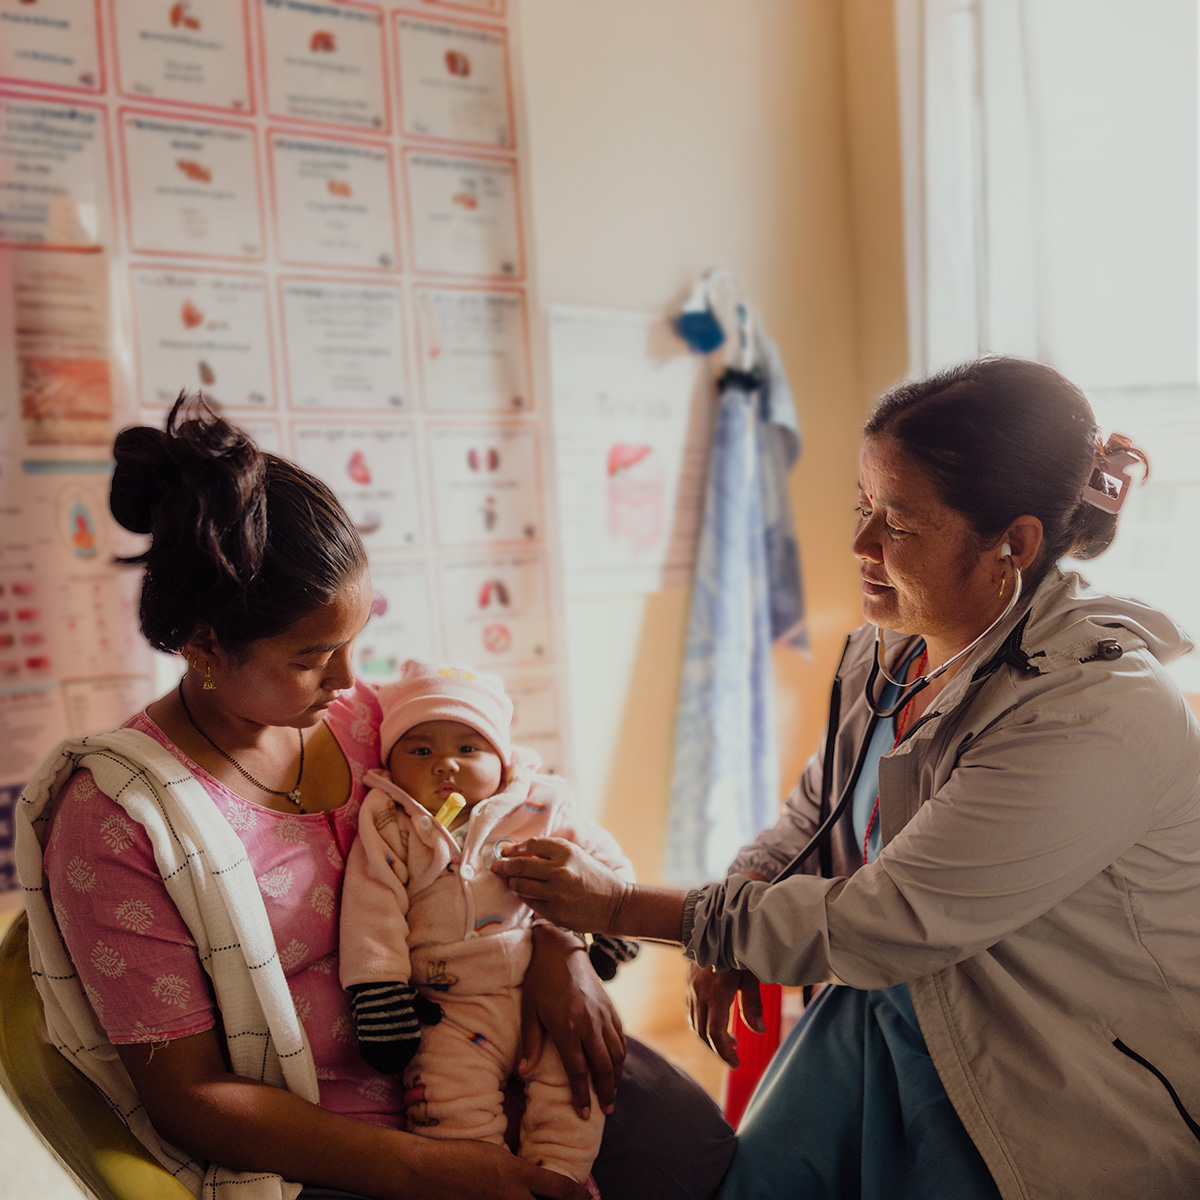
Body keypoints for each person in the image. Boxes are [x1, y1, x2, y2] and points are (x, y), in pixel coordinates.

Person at [492, 356, 1200, 1199]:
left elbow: (887, 920)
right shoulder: (891, 647)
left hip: (1051, 1075)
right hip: (896, 1014)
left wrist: (621, 909)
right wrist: (748, 888)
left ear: (1014, 543)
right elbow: (820, 818)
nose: (860, 545)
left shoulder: (1096, 712)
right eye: (863, 507)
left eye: (896, 524)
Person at [16, 393, 735, 1200]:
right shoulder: (118, 821)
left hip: (494, 1040)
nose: (350, 680)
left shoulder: (381, 727)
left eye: (355, 643)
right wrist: (426, 1168)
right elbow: (189, 1098)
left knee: (697, 1155)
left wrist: (556, 949)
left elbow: (520, 810)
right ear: (203, 644)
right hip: (333, 1142)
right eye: (311, 656)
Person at [339, 658, 639, 1191]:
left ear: (502, 759)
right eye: (421, 749)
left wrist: (612, 922)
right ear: (390, 758)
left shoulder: (540, 804)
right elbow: (372, 908)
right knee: (448, 1110)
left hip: (538, 993)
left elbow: (599, 859)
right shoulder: (391, 820)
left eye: (468, 748)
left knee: (575, 1091)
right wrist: (379, 991)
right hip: (447, 1008)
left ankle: (561, 1179)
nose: (445, 766)